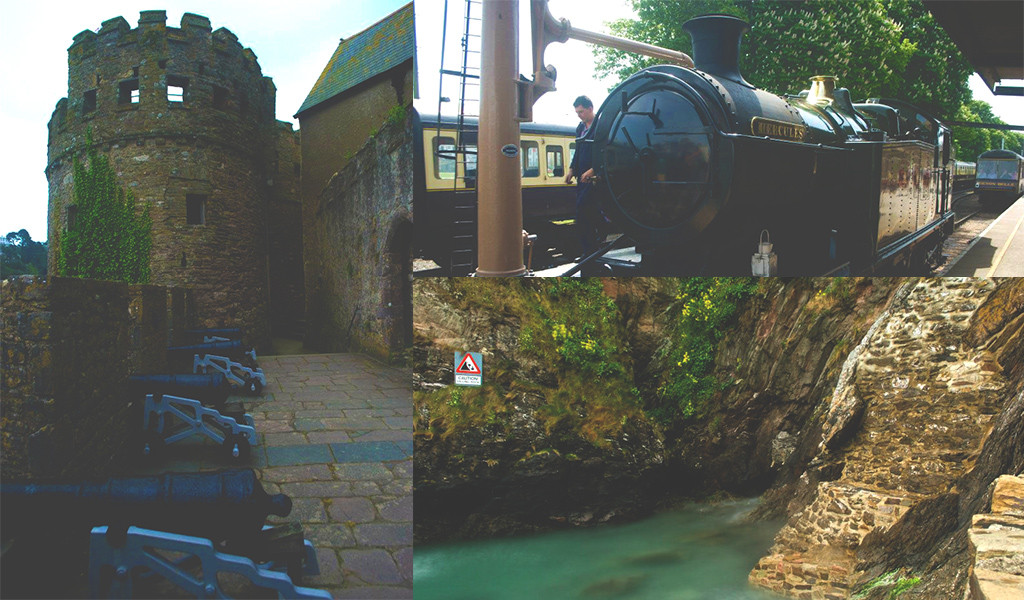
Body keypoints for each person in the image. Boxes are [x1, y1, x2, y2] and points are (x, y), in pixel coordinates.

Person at [564, 95, 601, 257]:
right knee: (586, 213)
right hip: (582, 177)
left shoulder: (601, 126)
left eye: (581, 112)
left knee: (583, 212)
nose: (579, 115)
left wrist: (594, 169)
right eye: (577, 112)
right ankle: (590, 250)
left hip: (595, 178)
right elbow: (578, 150)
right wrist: (572, 169)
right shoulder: (580, 128)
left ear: (590, 109)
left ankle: (589, 251)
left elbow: (605, 151)